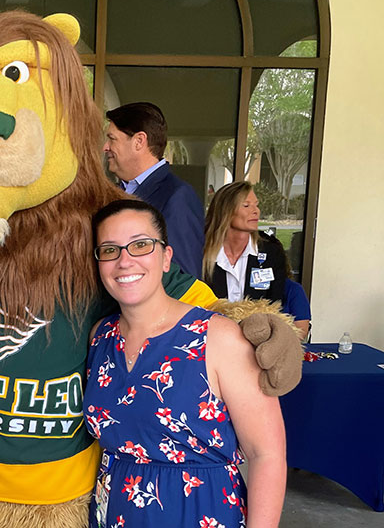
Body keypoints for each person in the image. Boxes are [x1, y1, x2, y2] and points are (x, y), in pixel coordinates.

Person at [85, 198, 286, 527]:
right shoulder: (100, 337)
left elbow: (268, 455)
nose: (124, 261)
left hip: (198, 512)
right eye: (110, 250)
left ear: (166, 258)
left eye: (140, 245)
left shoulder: (219, 338)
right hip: (115, 512)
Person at [103, 102, 204, 277]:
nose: (106, 147)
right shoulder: (113, 193)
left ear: (139, 141)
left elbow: (183, 280)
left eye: (112, 139)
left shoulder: (177, 197)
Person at [203, 181, 287, 304]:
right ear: (225, 211)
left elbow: (274, 304)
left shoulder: (271, 250)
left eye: (256, 205)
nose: (256, 211)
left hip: (257, 322)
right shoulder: (201, 250)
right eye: (246, 205)